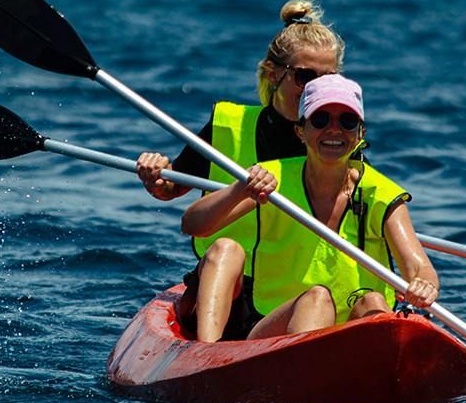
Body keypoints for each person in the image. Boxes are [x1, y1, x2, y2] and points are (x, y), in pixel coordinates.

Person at [136, 0, 345, 337]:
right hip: (223, 291)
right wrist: (156, 175)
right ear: (273, 74)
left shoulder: (337, 145)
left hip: (291, 300)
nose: (316, 89)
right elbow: (171, 189)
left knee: (319, 297)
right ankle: (205, 356)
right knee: (226, 248)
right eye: (306, 76)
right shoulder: (228, 125)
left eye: (328, 78)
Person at [180, 74, 440, 342]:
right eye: (321, 119)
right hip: (270, 330)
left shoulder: (383, 196)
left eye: (347, 122)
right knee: (313, 297)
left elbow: (421, 269)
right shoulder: (273, 181)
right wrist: (239, 189)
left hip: (349, 337)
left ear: (360, 134)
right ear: (300, 131)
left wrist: (424, 286)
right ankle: (206, 355)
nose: (334, 130)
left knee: (373, 301)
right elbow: (192, 224)